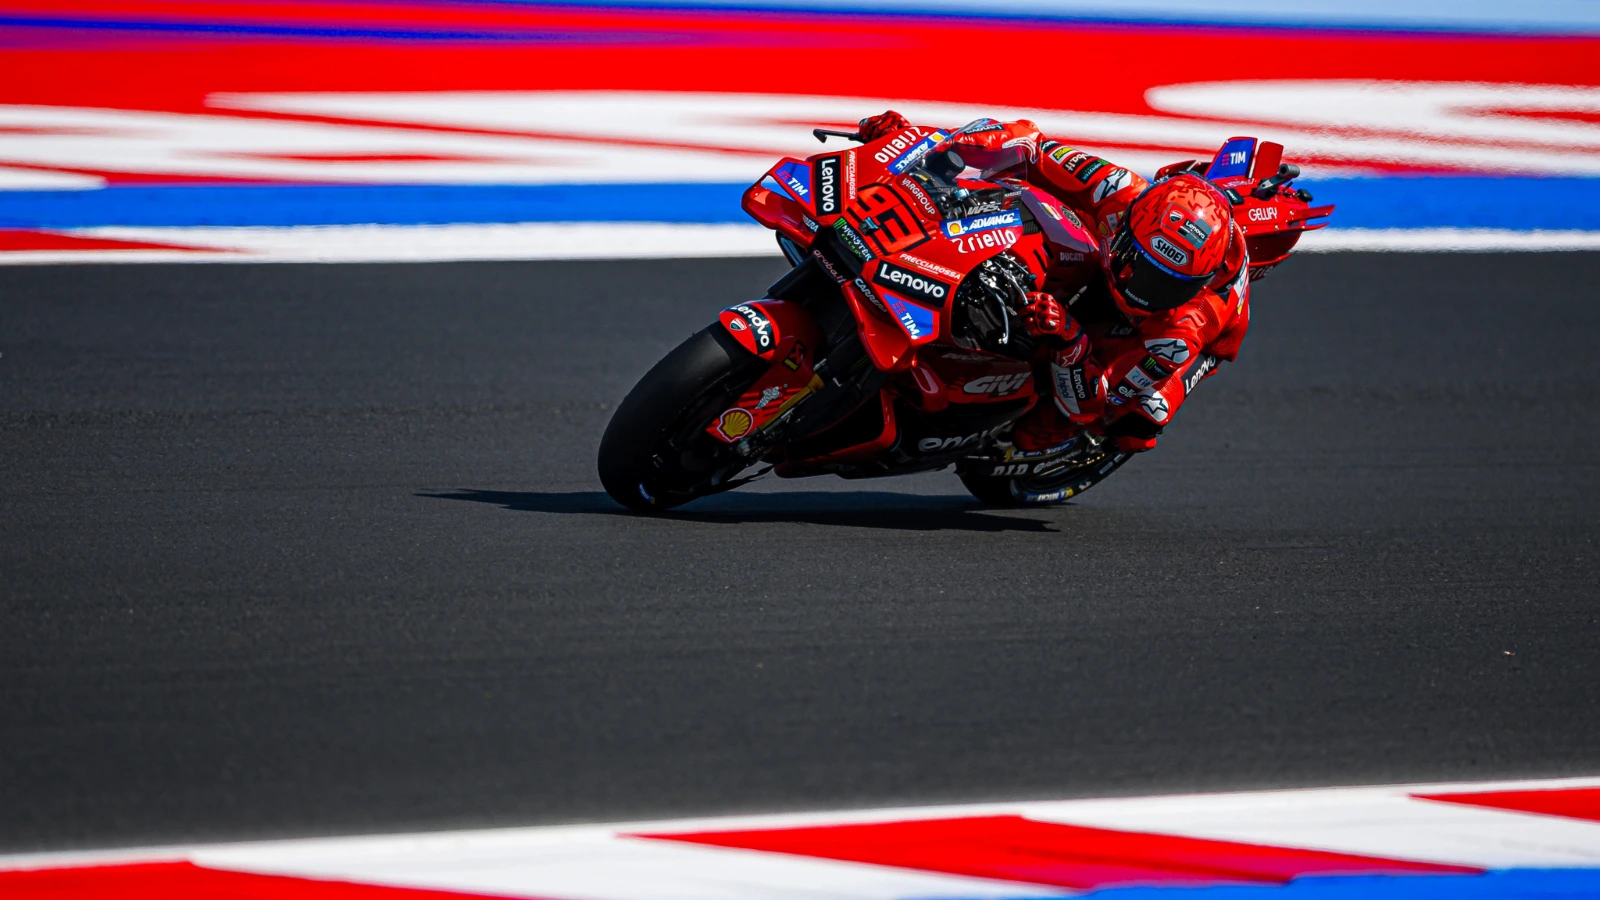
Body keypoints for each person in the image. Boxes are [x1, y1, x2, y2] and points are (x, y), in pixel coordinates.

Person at [857, 111, 1252, 455]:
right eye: (1144, 271)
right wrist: (928, 147)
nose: (1146, 293)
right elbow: (1031, 144)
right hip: (1089, 259)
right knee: (1007, 184)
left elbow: (1094, 402)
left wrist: (1069, 339)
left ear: (1195, 284)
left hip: (1136, 341)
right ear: (1128, 230)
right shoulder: (1116, 189)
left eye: (1168, 286)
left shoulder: (1180, 333)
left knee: (1129, 420)